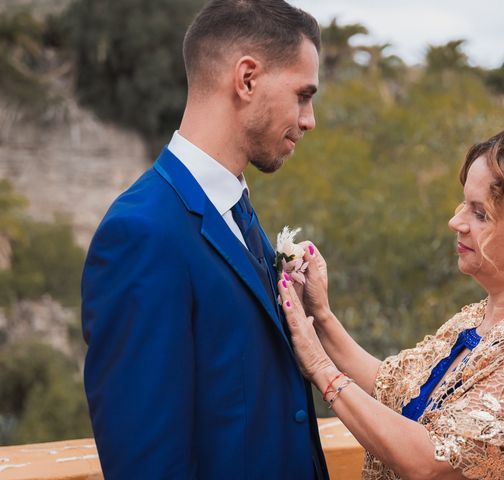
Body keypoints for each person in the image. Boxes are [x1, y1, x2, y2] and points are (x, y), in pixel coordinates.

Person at [277, 118, 504, 479]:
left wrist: (322, 370)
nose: (457, 221)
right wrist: (320, 315)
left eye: (480, 213)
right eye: (464, 204)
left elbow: (429, 461)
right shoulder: (478, 319)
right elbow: (390, 388)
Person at [81, 1, 328, 478]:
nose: (309, 119)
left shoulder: (238, 213)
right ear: (247, 79)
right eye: (302, 95)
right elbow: (146, 463)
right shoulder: (142, 233)